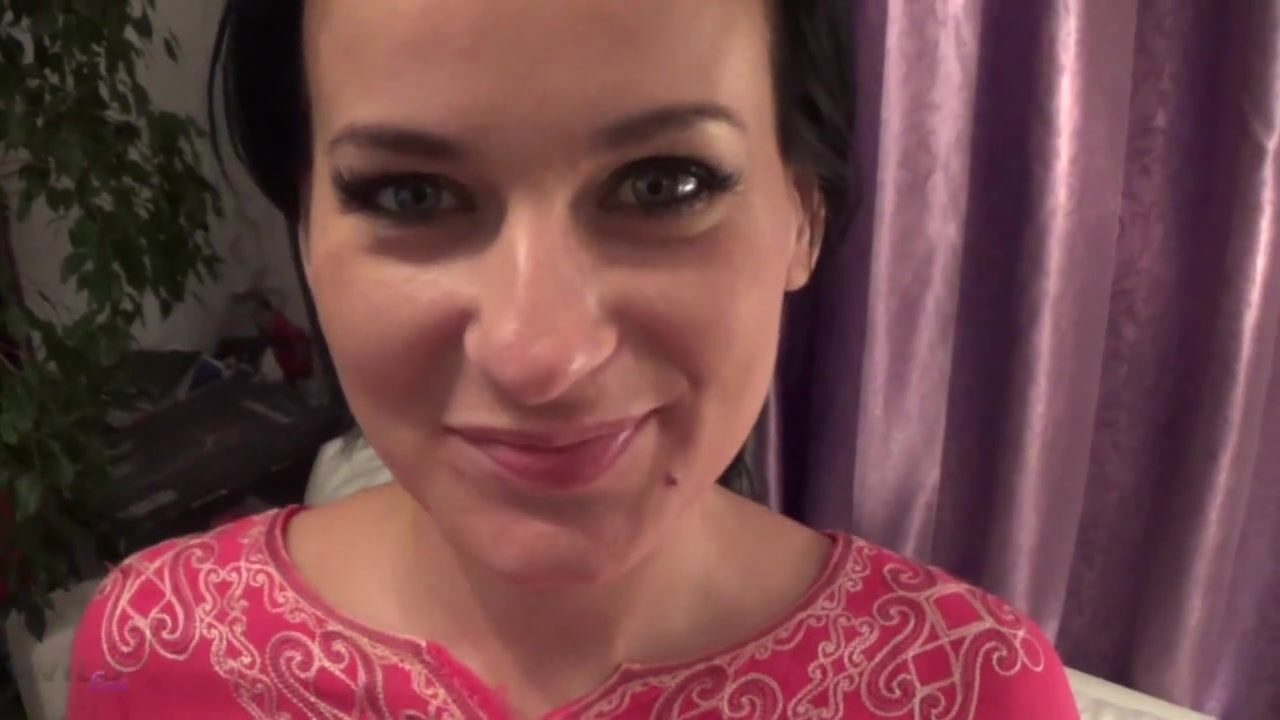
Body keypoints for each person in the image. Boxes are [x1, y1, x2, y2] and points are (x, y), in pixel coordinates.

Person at [67, 1, 1080, 718]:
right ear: (304, 230)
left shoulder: (967, 693)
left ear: (804, 216)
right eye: (412, 194)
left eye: (662, 185)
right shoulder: (160, 650)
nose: (536, 355)